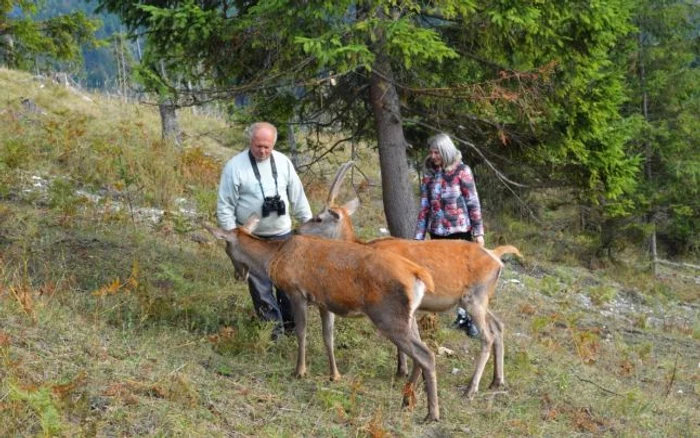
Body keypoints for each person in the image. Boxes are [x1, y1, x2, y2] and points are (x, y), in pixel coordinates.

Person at [217, 122, 313, 340]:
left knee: (289, 286)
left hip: (283, 236)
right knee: (260, 288)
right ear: (250, 142)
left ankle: (292, 328)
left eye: (267, 147)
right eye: (258, 146)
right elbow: (225, 205)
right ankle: (272, 333)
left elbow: (298, 196)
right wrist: (233, 237)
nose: (262, 151)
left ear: (274, 144)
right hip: (253, 239)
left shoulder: (283, 162)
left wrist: (308, 225)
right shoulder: (235, 166)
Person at [413, 133, 485, 338]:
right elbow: (424, 207)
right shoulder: (429, 174)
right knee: (440, 273)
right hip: (437, 232)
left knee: (463, 277)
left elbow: (473, 203)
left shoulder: (463, 172)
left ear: (446, 151)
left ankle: (466, 318)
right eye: (431, 152)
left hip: (460, 232)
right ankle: (434, 312)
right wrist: (418, 238)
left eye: (436, 152)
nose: (433, 156)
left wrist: (478, 232)